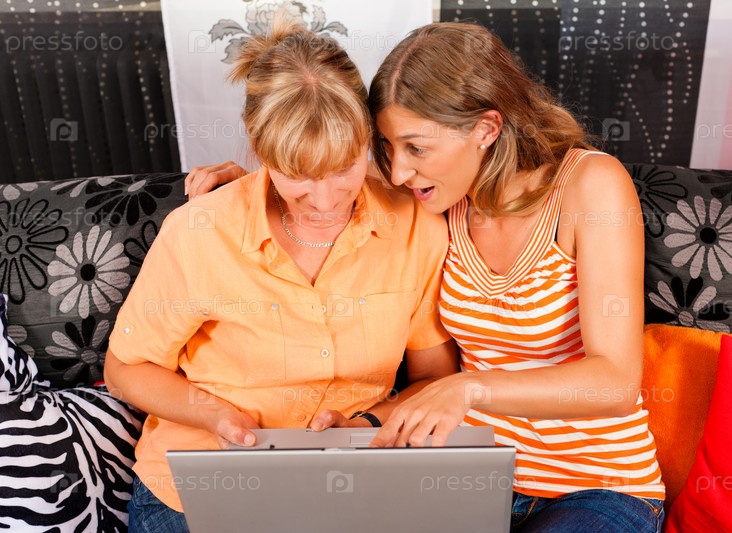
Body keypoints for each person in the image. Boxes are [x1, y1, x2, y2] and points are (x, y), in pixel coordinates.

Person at [190, 21, 664, 533]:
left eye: (416, 148)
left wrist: (469, 389)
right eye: (388, 147)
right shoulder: (435, 198)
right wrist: (250, 187)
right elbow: (320, 173)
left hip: (595, 488)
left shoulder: (591, 186)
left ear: (486, 128)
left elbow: (614, 382)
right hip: (466, 475)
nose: (397, 171)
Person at [103, 21, 458, 533]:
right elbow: (125, 368)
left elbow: (433, 379)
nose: (325, 201)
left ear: (368, 139)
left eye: (344, 167)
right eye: (299, 175)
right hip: (201, 483)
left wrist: (365, 424)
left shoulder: (414, 226)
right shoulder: (200, 231)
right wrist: (215, 415)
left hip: (349, 481)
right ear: (259, 147)